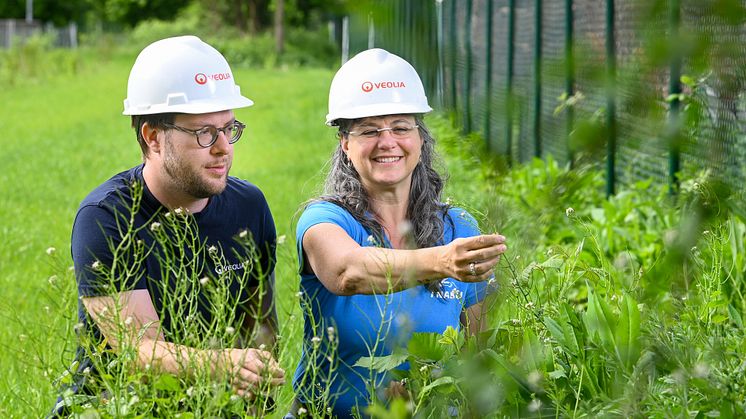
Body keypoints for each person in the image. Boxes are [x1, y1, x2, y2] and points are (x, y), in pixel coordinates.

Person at [53, 36, 284, 415]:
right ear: (153, 137)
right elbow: (138, 353)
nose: (223, 147)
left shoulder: (249, 206)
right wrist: (227, 366)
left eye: (229, 129)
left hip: (212, 404)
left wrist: (255, 389)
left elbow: (260, 326)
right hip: (116, 406)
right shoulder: (107, 218)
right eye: (204, 133)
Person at [291, 48, 507, 417]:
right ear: (345, 144)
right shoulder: (325, 220)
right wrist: (442, 261)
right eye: (369, 130)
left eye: (401, 127)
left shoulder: (458, 228)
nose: (387, 141)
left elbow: (477, 356)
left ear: (420, 140)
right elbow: (346, 271)